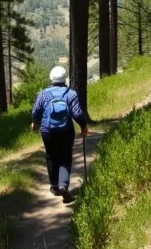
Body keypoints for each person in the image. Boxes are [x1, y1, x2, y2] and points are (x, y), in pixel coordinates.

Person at [31, 65, 87, 203]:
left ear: (51, 78)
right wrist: (83, 126)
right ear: (64, 78)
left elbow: (35, 112)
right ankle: (63, 186)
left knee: (51, 156)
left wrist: (35, 124)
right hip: (66, 131)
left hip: (47, 131)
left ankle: (55, 187)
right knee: (65, 158)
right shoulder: (70, 93)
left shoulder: (44, 94)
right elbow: (77, 114)